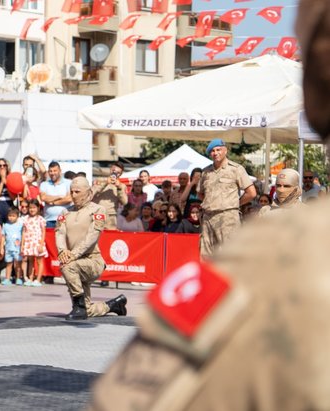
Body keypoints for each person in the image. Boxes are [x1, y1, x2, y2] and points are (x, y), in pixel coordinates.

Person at [88, 3, 330, 405]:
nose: (217, 153)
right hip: (211, 218)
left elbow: (131, 396)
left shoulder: (279, 248)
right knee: (209, 261)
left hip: (232, 220)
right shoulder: (207, 175)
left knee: (223, 278)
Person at [56, 176, 126, 320]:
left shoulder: (98, 209)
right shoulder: (65, 212)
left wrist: (73, 254)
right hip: (74, 260)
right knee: (88, 310)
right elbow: (60, 233)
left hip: (92, 260)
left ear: (88, 192)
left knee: (67, 267)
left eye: (77, 191)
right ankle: (113, 305)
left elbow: (92, 236)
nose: (74, 195)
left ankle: (78, 307)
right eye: (72, 191)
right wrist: (62, 251)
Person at [197, 139, 256, 258]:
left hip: (228, 217)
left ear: (225, 151)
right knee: (206, 255)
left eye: (218, 150)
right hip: (208, 217)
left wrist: (234, 204)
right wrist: (211, 203)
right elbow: (200, 193)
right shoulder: (206, 172)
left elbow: (251, 193)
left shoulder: (236, 169)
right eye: (213, 151)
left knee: (229, 255)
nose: (215, 153)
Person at [92, 162, 128, 230]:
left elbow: (125, 202)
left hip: (111, 216)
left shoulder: (122, 186)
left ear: (120, 174)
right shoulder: (99, 180)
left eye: (117, 172)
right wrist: (105, 183)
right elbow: (92, 194)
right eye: (113, 171)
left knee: (109, 237)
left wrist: (119, 188)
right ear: (110, 169)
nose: (114, 173)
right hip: (97, 214)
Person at [21, 199, 47, 287]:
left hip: (37, 242)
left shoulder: (41, 219)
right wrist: (23, 244)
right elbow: (24, 232)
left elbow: (43, 232)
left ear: (38, 208)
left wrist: (41, 243)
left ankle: (38, 279)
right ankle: (30, 278)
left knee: (40, 261)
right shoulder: (25, 219)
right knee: (30, 261)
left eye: (34, 208)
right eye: (30, 208)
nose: (32, 210)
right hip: (29, 243)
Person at [39, 161, 72, 228]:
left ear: (60, 171)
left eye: (55, 170)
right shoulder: (44, 184)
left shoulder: (68, 183)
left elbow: (69, 199)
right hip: (49, 220)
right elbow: (43, 198)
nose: (52, 173)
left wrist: (53, 203)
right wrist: (60, 196)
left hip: (64, 219)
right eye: (50, 171)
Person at [1, 207, 24, 285]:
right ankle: (7, 279)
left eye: (13, 216)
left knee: (18, 264)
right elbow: (3, 237)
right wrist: (1, 248)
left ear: (17, 216)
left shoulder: (21, 225)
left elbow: (23, 236)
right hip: (8, 248)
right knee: (9, 264)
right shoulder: (5, 225)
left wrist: (22, 246)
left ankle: (18, 278)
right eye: (10, 215)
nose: (11, 217)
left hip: (17, 248)